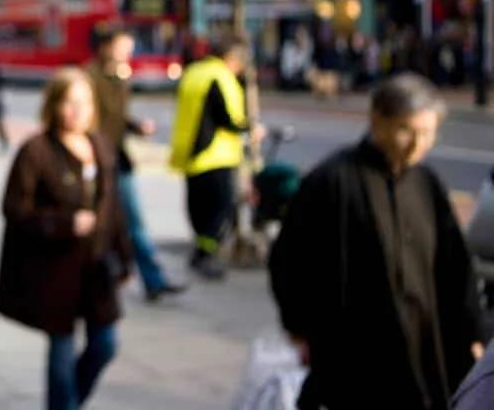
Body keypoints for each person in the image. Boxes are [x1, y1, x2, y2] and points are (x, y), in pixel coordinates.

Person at [268, 74, 484, 410]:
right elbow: (289, 259)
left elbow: (455, 266)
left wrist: (473, 331)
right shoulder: (332, 181)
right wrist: (299, 327)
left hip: (425, 348)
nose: (417, 144)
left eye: (427, 133)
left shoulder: (426, 184)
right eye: (406, 130)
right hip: (356, 353)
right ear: (377, 121)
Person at [0, 68, 132, 410]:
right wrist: (65, 223)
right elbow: (14, 209)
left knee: (105, 345)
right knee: (62, 351)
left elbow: (114, 208)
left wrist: (125, 257)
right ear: (53, 105)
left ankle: (69, 403)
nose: (77, 110)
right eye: (69, 102)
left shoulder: (100, 145)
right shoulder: (36, 151)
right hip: (56, 271)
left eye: (85, 102)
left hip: (97, 267)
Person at [89, 28, 186, 302]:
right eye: (122, 48)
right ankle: (109, 276)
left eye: (129, 49)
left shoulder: (120, 76)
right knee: (107, 223)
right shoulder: (90, 78)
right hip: (99, 161)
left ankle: (152, 279)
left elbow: (117, 118)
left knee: (133, 222)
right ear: (106, 46)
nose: (127, 54)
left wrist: (135, 126)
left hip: (118, 159)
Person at [169, 35, 265, 280]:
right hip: (216, 154)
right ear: (231, 58)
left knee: (198, 208)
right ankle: (205, 254)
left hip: (190, 153)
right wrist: (251, 129)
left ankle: (200, 251)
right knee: (219, 209)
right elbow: (227, 118)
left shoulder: (193, 72)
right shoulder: (220, 77)